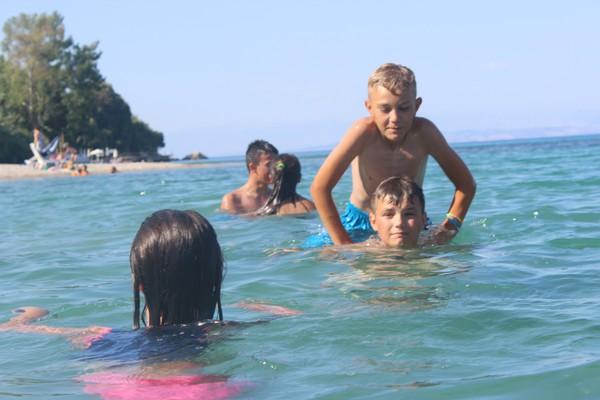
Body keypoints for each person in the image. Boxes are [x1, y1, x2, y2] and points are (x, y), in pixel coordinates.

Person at [0, 209, 298, 398]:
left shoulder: (103, 337)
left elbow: (23, 330)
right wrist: (270, 308)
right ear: (214, 278)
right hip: (207, 390)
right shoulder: (222, 331)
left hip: (125, 388)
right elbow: (297, 320)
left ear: (139, 283)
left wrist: (27, 317)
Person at [310, 63, 476, 245]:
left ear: (416, 106)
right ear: (369, 107)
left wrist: (449, 228)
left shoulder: (424, 134)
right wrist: (343, 244)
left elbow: (466, 185)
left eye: (404, 108)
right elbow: (319, 188)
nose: (395, 118)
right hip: (359, 224)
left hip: (408, 223)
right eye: (385, 109)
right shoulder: (362, 133)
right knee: (310, 253)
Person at [220, 140, 279, 214]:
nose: (275, 169)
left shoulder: (277, 196)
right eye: (269, 164)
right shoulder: (232, 199)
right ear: (253, 167)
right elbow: (231, 221)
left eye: (276, 164)